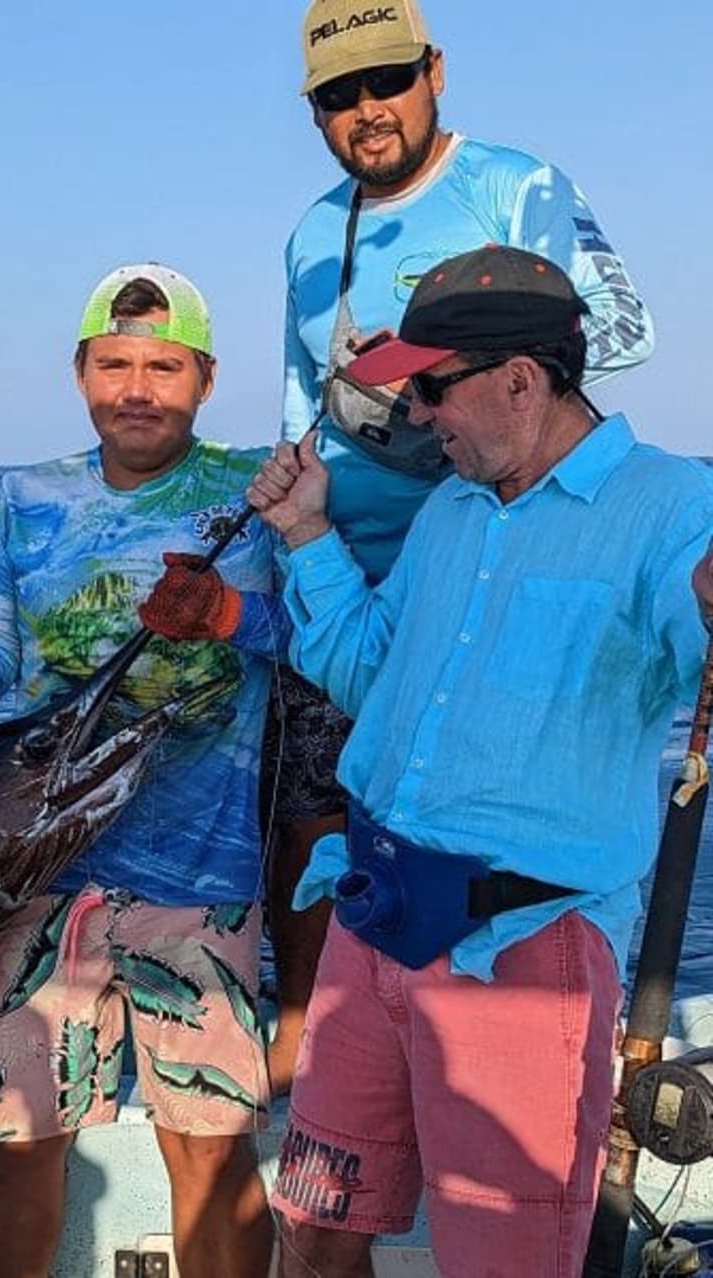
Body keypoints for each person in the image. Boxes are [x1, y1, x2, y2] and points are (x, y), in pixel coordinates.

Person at [247, 244, 713, 1277]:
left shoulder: (675, 508)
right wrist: (307, 534)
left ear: (521, 380)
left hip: (521, 955)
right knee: (311, 1229)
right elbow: (368, 675)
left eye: (432, 387)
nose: (417, 416)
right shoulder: (450, 509)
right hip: (370, 921)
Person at [0, 264, 290, 1278]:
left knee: (210, 1156)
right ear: (80, 374)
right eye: (114, 365)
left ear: (206, 379)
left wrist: (229, 614)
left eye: (163, 367)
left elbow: (324, 638)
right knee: (16, 1146)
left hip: (201, 886)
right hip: (35, 880)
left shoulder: (259, 487)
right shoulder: (26, 498)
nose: (138, 389)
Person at [263, 0, 657, 1096]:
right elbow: (298, 402)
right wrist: (293, 525)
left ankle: (494, 1061)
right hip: (338, 570)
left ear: (433, 70)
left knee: (481, 837)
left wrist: (446, 379)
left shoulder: (514, 184)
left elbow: (620, 330)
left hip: (483, 557)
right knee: (317, 820)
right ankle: (322, 1054)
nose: (366, 109)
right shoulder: (310, 234)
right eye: (337, 95)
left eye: (385, 80)